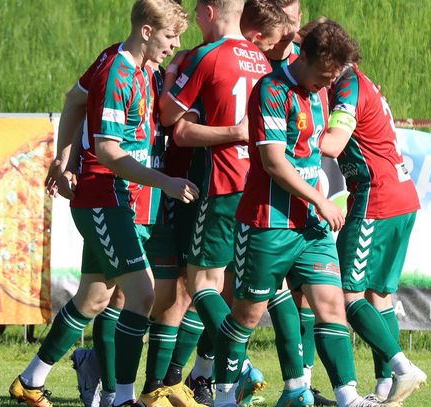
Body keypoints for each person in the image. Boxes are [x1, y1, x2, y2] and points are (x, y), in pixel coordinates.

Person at [9, 2, 196, 407]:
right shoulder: (116, 71)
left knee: (94, 297)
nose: (175, 45)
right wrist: (164, 181)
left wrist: (64, 156)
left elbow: (73, 100)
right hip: (103, 197)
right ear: (146, 32)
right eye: (170, 36)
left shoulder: (140, 66)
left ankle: (30, 381)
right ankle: (122, 397)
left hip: (120, 198)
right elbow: (109, 152)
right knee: (141, 295)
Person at [211, 20, 400, 407]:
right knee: (247, 315)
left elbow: (314, 151)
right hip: (268, 224)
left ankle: (348, 397)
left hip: (311, 227)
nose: (329, 83)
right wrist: (320, 200)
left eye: (333, 77)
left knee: (332, 305)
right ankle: (224, 395)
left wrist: (317, 204)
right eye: (324, 75)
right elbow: (274, 162)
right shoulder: (271, 90)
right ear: (306, 58)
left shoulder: (320, 92)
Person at [159, 1, 290, 405]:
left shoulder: (206, 56)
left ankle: (239, 363)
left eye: (198, 9)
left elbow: (171, 121)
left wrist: (171, 74)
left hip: (220, 181)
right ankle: (204, 377)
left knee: (199, 283)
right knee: (228, 287)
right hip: (258, 185)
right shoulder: (263, 62)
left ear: (210, 11)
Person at [319, 61, 427, 403]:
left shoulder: (347, 86)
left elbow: (333, 145)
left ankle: (402, 368)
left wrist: (288, 133)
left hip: (375, 198)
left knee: (346, 294)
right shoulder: (362, 81)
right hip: (401, 195)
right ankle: (386, 386)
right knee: (379, 296)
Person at [263, 6, 337, 406]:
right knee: (231, 303)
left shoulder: (319, 87)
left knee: (319, 299)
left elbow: (323, 144)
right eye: (285, 17)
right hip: (257, 207)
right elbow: (274, 160)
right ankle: (214, 384)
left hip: (305, 211)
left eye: (296, 16)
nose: (291, 27)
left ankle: (308, 387)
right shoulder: (268, 80)